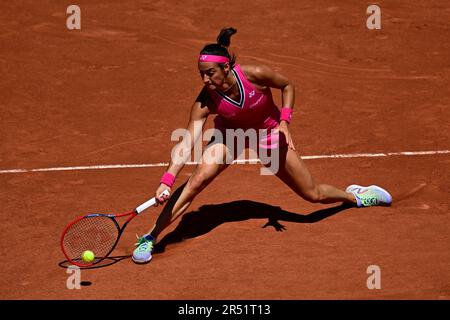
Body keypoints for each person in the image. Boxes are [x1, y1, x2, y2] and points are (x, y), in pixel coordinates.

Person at [132, 27, 392, 264]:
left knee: (313, 195)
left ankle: (355, 196)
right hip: (231, 136)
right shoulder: (205, 101)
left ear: (226, 68)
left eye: (210, 73)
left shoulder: (255, 75)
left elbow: (287, 85)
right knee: (196, 182)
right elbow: (187, 142)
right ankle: (151, 237)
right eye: (201, 74)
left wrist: (285, 121)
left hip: (269, 134)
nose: (205, 80)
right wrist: (167, 179)